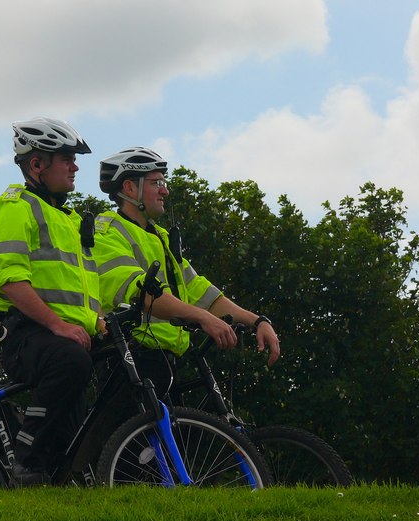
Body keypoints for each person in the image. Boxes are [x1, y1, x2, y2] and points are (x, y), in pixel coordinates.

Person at [92, 147, 280, 402]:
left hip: (165, 362)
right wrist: (203, 318)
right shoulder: (108, 232)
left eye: (164, 182)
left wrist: (257, 321)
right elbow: (145, 295)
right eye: (156, 182)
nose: (165, 190)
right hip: (129, 362)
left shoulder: (162, 238)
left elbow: (202, 294)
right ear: (129, 188)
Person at [0, 117, 101, 486]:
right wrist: (57, 324)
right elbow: (11, 280)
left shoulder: (69, 219)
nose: (75, 166)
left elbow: (81, 288)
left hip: (63, 333)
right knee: (71, 361)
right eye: (66, 158)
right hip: (25, 333)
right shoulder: (14, 207)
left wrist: (100, 321)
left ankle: (67, 473)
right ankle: (26, 458)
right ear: (36, 165)